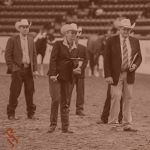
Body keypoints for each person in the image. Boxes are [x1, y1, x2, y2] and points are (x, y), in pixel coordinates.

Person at [104, 18, 142, 131]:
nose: (126, 32)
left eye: (128, 30)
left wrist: (135, 65)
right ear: (120, 29)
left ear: (130, 30)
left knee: (128, 97)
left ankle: (127, 123)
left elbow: (139, 57)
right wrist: (108, 75)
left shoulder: (135, 41)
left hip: (129, 74)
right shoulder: (111, 40)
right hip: (115, 74)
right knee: (115, 96)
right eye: (124, 29)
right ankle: (113, 122)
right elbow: (107, 59)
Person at [47, 23, 80, 133]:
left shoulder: (76, 47)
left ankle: (65, 127)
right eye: (72, 33)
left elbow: (73, 64)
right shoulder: (58, 44)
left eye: (75, 33)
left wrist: (75, 63)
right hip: (55, 76)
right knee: (56, 99)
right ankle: (53, 124)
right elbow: (53, 59)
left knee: (65, 102)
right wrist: (52, 73)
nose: (74, 34)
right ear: (67, 33)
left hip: (67, 77)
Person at [5, 19, 38, 120]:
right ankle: (11, 113)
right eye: (23, 27)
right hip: (18, 69)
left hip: (28, 70)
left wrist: (35, 69)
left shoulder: (31, 40)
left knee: (29, 91)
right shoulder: (12, 40)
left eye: (27, 27)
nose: (25, 29)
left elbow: (34, 56)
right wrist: (13, 68)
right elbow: (8, 55)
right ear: (19, 28)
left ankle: (30, 113)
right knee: (15, 92)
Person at [68, 27, 88, 116]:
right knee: (68, 91)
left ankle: (79, 109)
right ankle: (66, 107)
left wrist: (81, 69)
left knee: (80, 92)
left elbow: (86, 60)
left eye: (78, 37)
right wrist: (72, 70)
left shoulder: (83, 48)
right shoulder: (68, 48)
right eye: (75, 37)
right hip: (71, 73)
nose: (76, 39)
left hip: (80, 73)